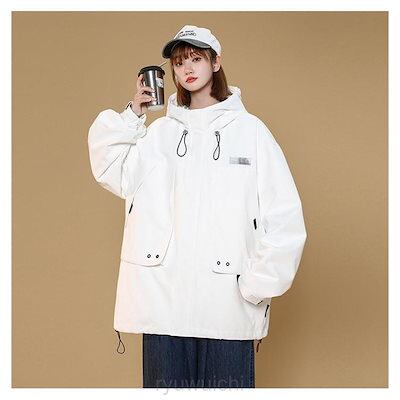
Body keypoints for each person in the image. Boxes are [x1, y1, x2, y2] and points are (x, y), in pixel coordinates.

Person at [87, 25, 307, 389]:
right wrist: (133, 115)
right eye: (178, 62)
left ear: (216, 62)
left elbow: (285, 219)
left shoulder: (251, 131)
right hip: (163, 303)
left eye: (196, 58)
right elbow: (111, 169)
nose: (187, 68)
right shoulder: (158, 134)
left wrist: (255, 286)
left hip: (227, 302)